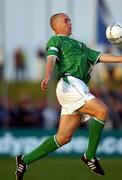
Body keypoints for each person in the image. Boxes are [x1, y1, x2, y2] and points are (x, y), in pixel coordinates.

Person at [15, 13, 122, 180]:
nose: (70, 23)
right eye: (66, 20)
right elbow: (51, 57)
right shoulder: (55, 40)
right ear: (56, 25)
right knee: (102, 111)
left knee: (63, 138)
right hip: (70, 84)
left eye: (70, 20)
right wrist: (48, 75)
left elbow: (101, 57)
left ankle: (24, 160)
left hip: (76, 88)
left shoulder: (80, 45)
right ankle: (90, 156)